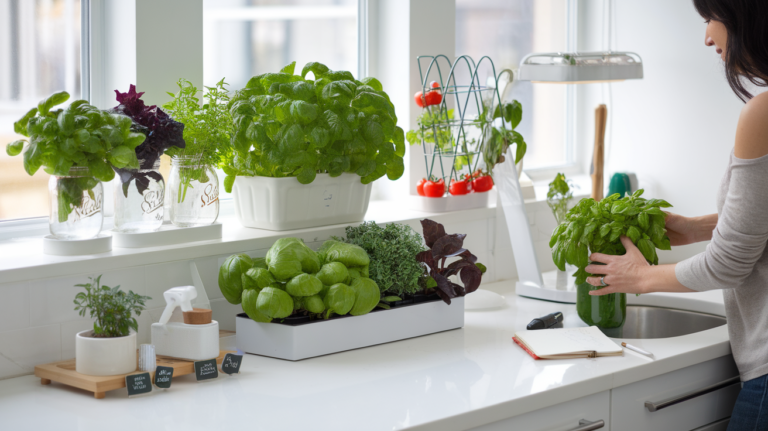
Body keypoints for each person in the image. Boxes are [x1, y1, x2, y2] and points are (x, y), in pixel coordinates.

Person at [585, 0, 768, 428]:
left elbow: (729, 265)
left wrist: (641, 276)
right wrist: (698, 227)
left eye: (710, 19)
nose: (707, 36)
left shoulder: (762, 113)